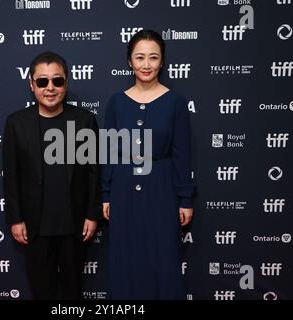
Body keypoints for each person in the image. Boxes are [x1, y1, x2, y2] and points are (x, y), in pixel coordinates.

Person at [101, 30, 195, 299]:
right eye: (139, 57)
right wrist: (105, 193)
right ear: (129, 61)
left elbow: (182, 154)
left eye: (153, 57)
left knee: (163, 257)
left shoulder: (175, 103)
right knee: (125, 258)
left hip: (162, 188)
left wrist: (185, 198)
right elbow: (109, 151)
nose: (146, 64)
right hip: (124, 187)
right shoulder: (117, 103)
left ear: (162, 61)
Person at [2, 51, 101, 300]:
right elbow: (11, 176)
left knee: (73, 292)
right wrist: (15, 219)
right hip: (35, 228)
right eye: (42, 81)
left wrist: (92, 213)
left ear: (66, 82)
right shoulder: (16, 123)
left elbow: (93, 172)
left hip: (74, 226)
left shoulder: (84, 121)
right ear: (31, 84)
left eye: (57, 81)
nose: (50, 88)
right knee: (41, 292)